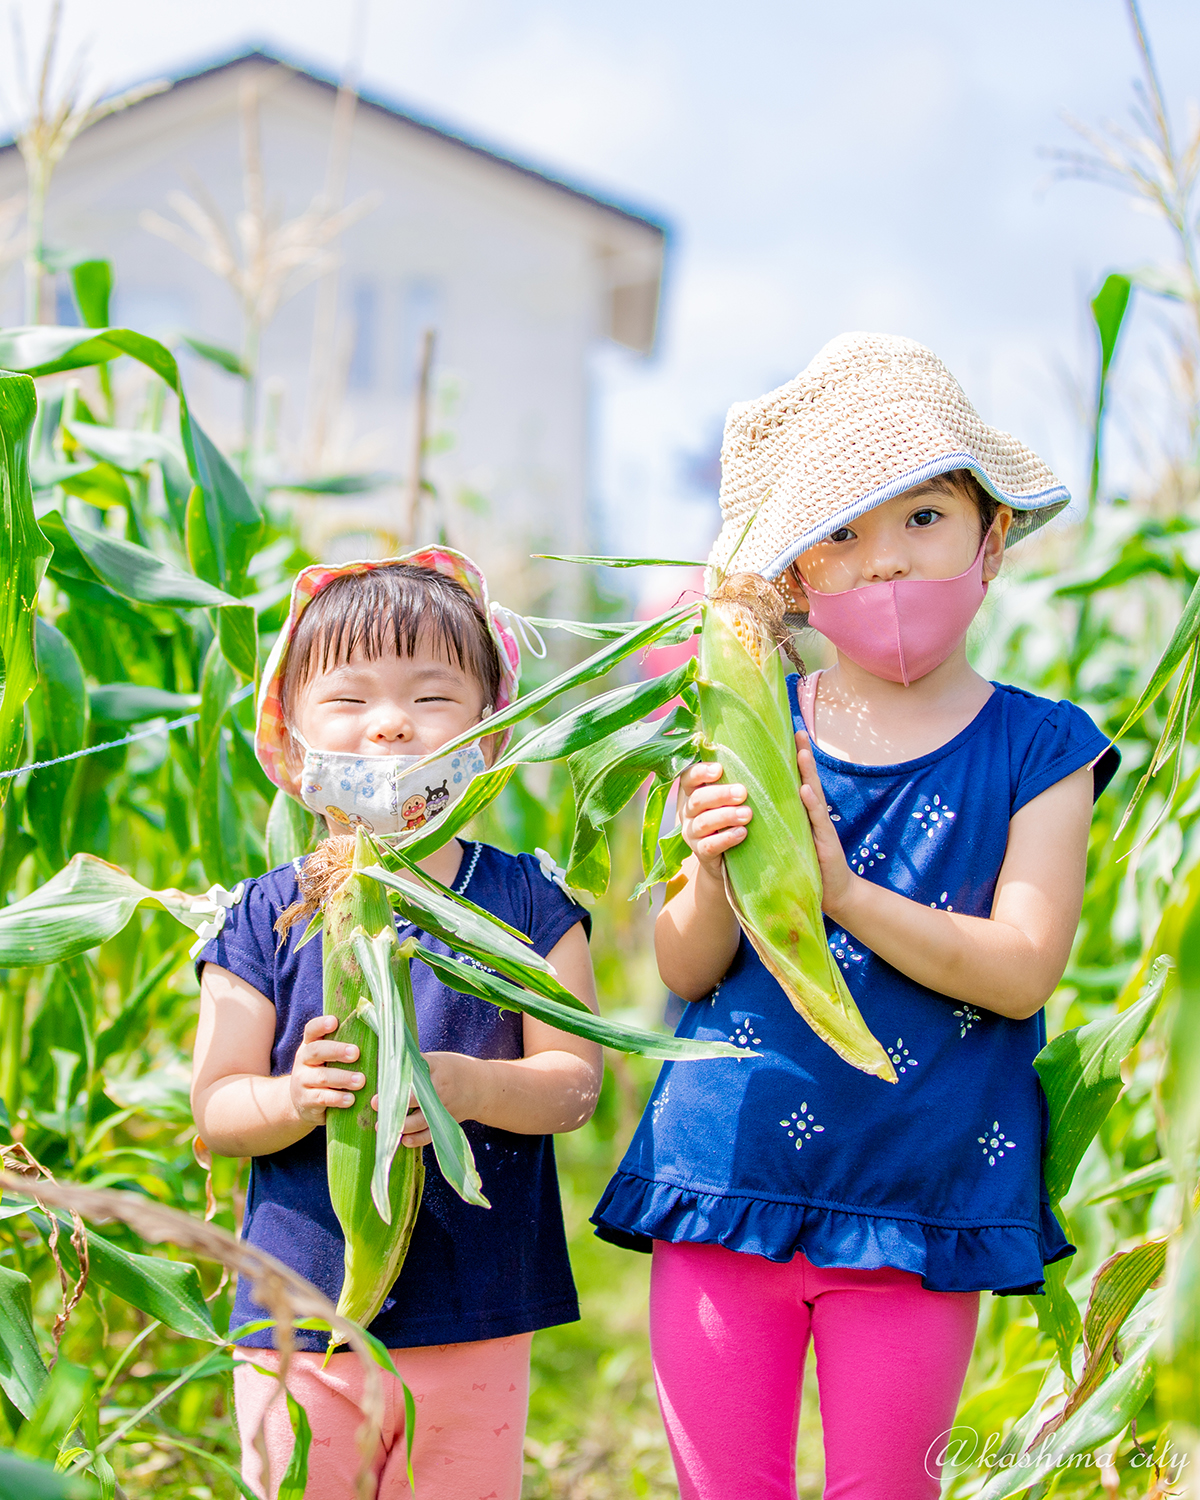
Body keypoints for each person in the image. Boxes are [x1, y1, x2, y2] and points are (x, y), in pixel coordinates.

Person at [591, 333, 1119, 1500]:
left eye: (920, 519)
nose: (882, 564)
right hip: (725, 1176)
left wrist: (839, 894)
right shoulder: (746, 719)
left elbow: (1023, 969)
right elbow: (686, 966)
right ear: (795, 579)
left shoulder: (1042, 750)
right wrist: (716, 871)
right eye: (840, 532)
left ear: (991, 538)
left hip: (920, 1198)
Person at [191, 550, 602, 1500]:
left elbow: (574, 1083)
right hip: (299, 1322)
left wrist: (467, 1086)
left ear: (489, 733)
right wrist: (296, 1097)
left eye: (432, 697)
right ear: (291, 738)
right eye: (349, 700)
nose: (390, 724)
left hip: (478, 1314)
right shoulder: (260, 914)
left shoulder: (530, 902)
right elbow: (217, 1106)